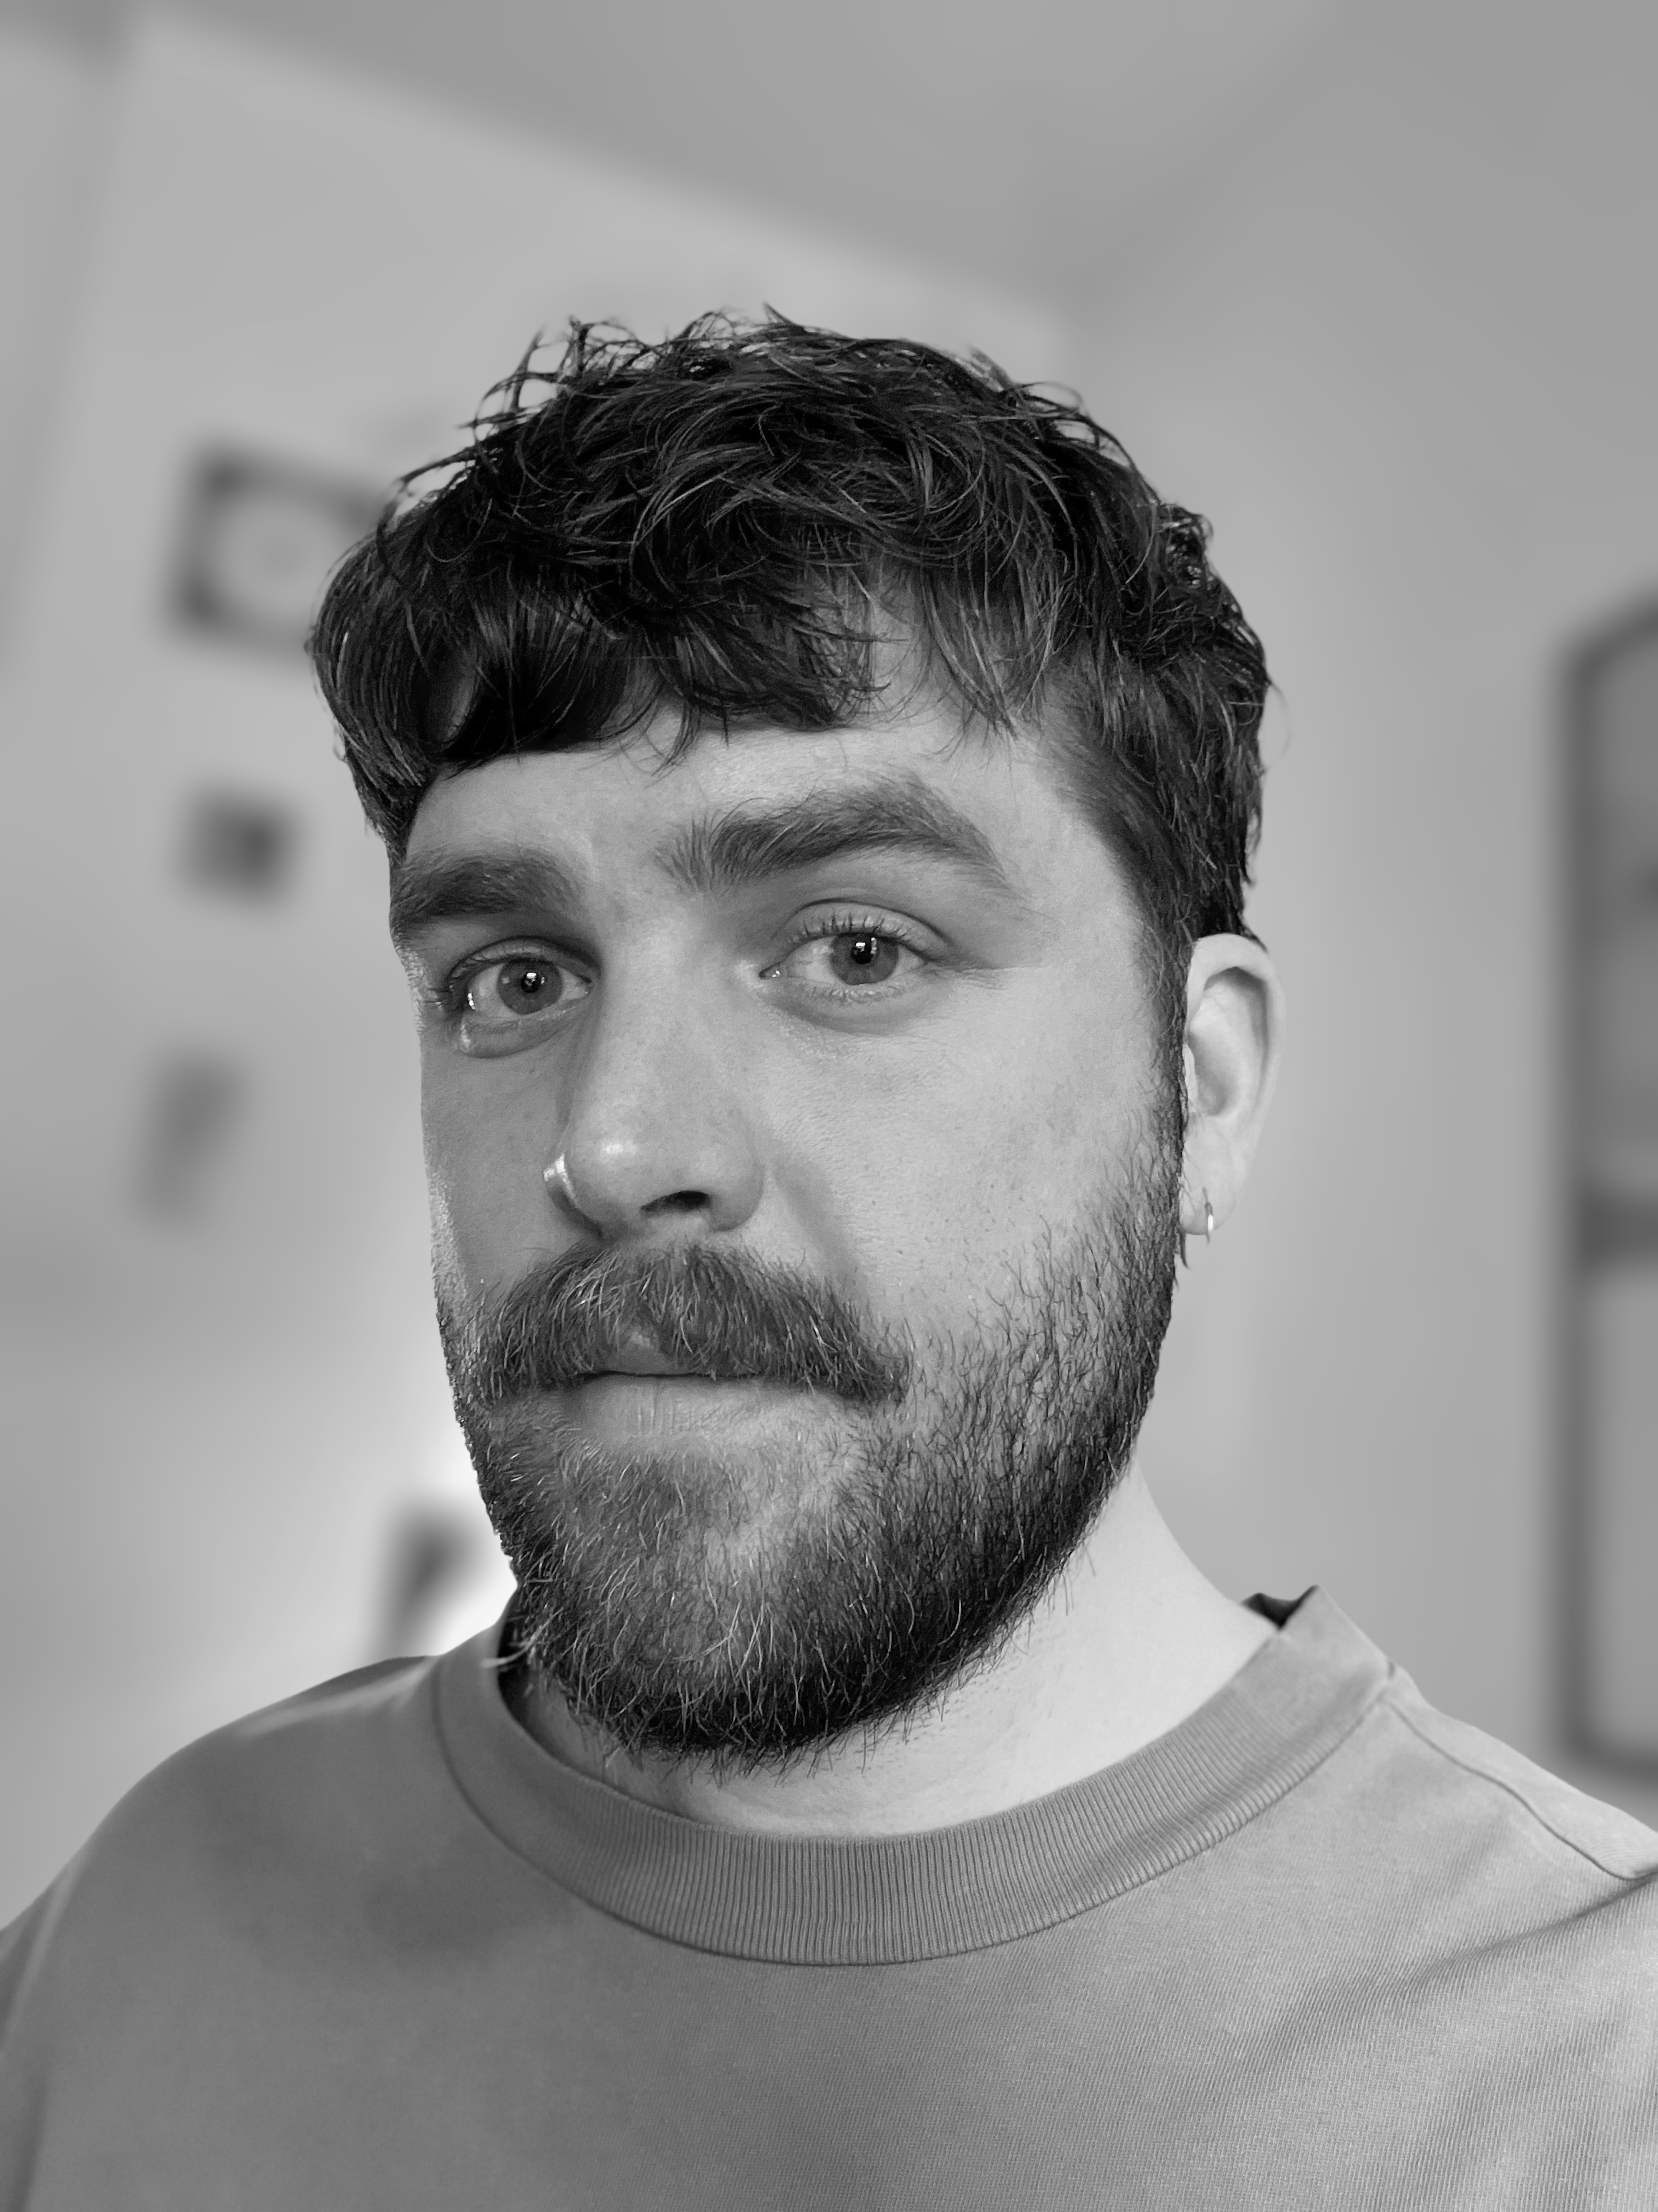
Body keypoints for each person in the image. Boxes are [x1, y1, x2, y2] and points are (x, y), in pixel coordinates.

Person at [1, 316, 1653, 2208]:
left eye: (857, 949)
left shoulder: (1599, 2088)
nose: (617, 1149)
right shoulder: (151, 1917)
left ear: (1197, 1088)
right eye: (514, 979)